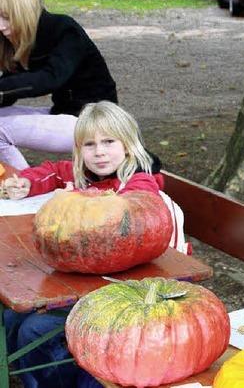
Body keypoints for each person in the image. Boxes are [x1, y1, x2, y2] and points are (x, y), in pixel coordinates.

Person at [2, 101, 185, 388]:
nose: (99, 152)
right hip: (90, 281)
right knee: (14, 316)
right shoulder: (88, 174)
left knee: (36, 329)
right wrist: (27, 182)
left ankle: (57, 380)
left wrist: (77, 203)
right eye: (89, 145)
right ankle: (34, 378)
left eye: (108, 142)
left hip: (126, 290)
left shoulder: (139, 186)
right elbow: (53, 170)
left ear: (128, 145)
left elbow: (125, 221)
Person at [0, 0, 117, 170]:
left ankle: (26, 185)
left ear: (24, 10)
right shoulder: (19, 39)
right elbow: (11, 89)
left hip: (95, 122)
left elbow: (50, 78)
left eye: (6, 16)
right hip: (64, 114)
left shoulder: (64, 28)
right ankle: (19, 183)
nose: (1, 26)